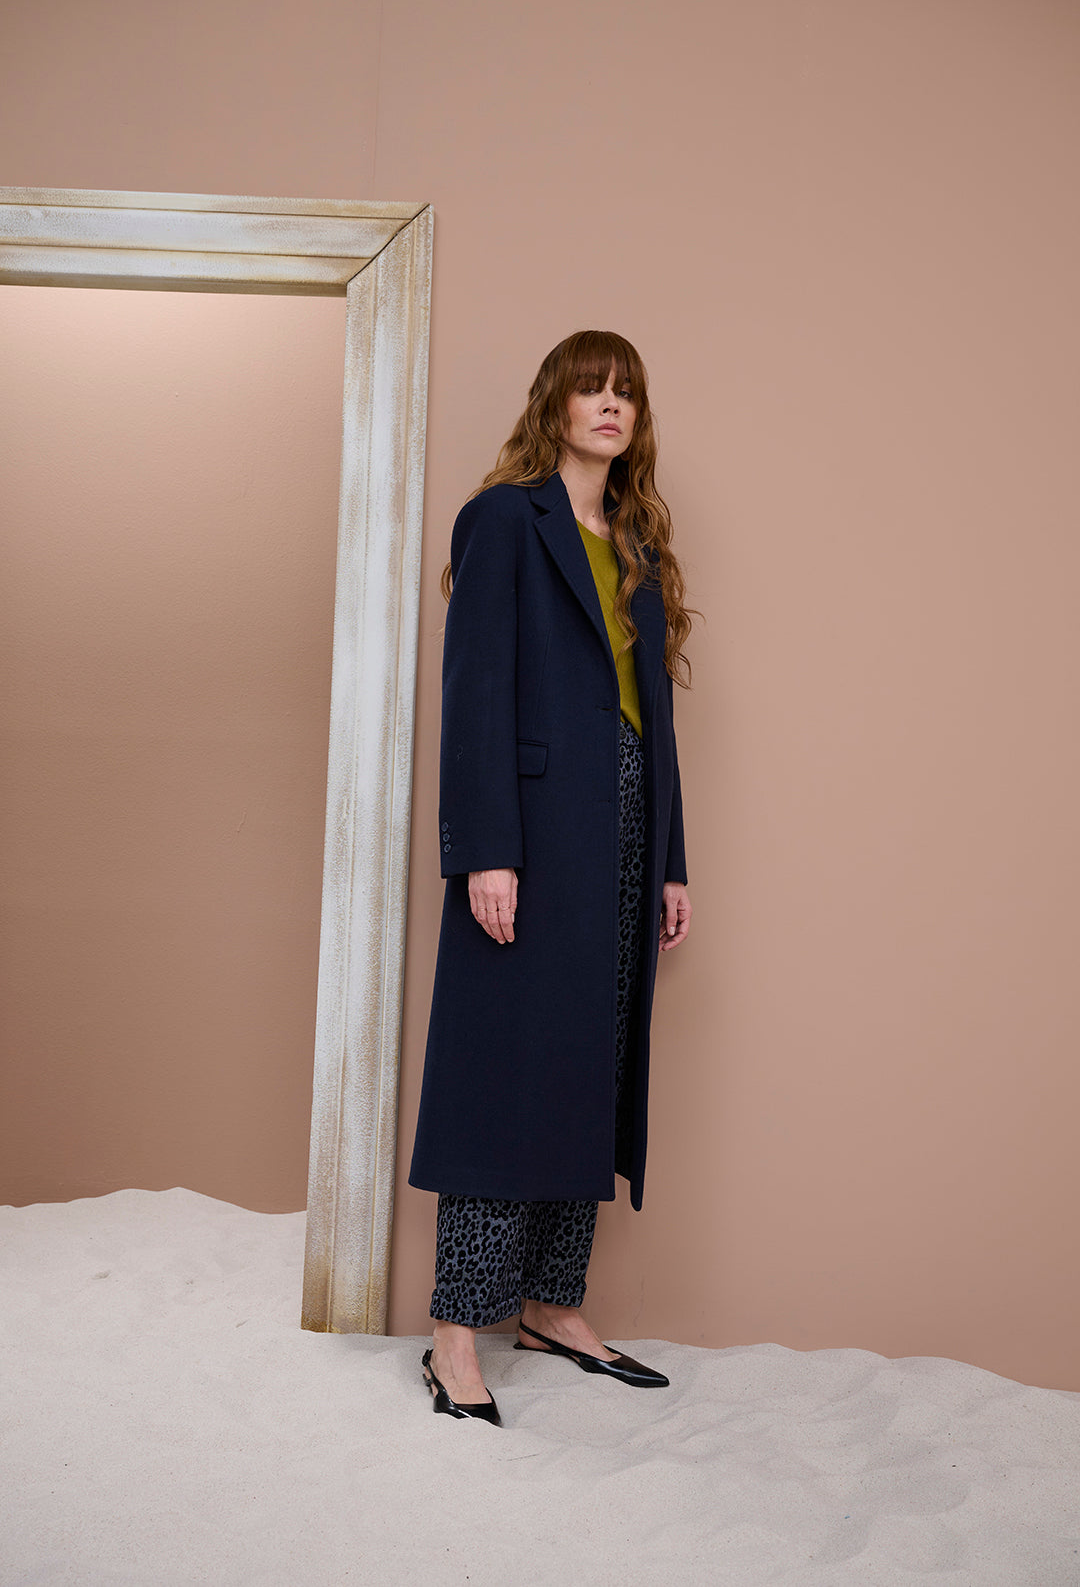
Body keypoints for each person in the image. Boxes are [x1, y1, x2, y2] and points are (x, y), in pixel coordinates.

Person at [408, 329, 693, 1425]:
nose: (610, 405)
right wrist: (486, 846)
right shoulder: (503, 519)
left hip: (625, 822)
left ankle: (551, 1305)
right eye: (591, 388)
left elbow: (651, 720)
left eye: (627, 392)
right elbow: (475, 687)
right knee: (505, 1070)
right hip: (530, 827)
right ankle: (454, 1336)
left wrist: (670, 863)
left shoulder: (637, 538)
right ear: (556, 405)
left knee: (591, 1064)